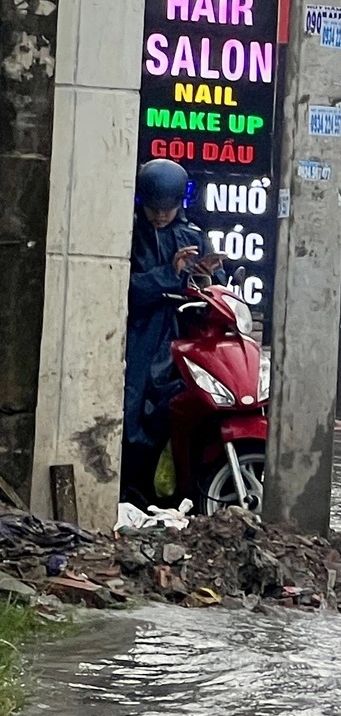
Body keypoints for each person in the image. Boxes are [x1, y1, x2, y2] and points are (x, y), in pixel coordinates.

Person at [125, 159, 224, 505]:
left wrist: (204, 276)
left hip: (180, 336)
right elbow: (127, 287)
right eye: (154, 208)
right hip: (140, 334)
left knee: (176, 411)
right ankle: (131, 492)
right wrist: (169, 274)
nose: (160, 216)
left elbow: (214, 290)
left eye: (167, 208)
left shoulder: (193, 237)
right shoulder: (131, 233)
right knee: (132, 412)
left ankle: (169, 493)